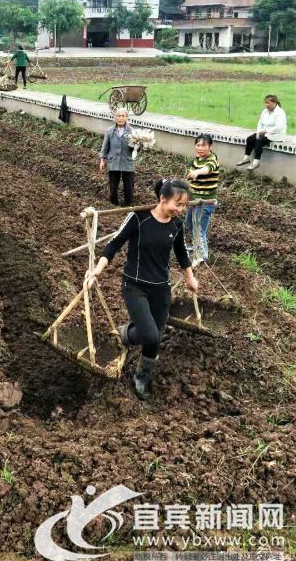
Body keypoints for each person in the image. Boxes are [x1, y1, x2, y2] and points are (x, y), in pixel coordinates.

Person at [86, 179, 198, 401]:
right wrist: (97, 270)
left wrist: (190, 278)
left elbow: (182, 254)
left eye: (184, 205)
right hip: (134, 286)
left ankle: (141, 377)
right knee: (149, 334)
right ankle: (123, 334)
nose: (181, 209)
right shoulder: (139, 218)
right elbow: (114, 244)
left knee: (155, 338)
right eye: (178, 204)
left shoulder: (176, 225)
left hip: (161, 289)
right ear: (162, 199)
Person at [185, 134, 220, 263]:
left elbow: (207, 169)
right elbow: (191, 179)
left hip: (206, 201)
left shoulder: (212, 159)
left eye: (203, 145)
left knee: (200, 229)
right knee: (189, 223)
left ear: (210, 146)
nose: (200, 148)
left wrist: (197, 172)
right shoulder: (196, 160)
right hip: (193, 199)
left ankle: (203, 256)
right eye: (198, 145)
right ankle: (196, 246)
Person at [236, 95, 287, 171]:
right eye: (265, 103)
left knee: (259, 141)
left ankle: (256, 162)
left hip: (275, 134)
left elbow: (279, 127)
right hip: (264, 133)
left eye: (268, 103)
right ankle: (246, 159)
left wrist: (265, 131)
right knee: (250, 139)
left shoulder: (280, 112)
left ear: (274, 103)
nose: (266, 105)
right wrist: (258, 132)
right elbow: (260, 123)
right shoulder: (265, 111)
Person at [99, 108, 135, 206]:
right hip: (114, 161)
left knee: (128, 186)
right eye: (118, 116)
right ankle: (114, 203)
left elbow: (135, 149)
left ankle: (127, 204)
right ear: (115, 118)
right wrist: (103, 160)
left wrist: (138, 146)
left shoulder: (132, 132)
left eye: (123, 116)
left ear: (126, 118)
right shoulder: (110, 131)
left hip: (127, 161)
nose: (120, 118)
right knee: (113, 185)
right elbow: (105, 146)